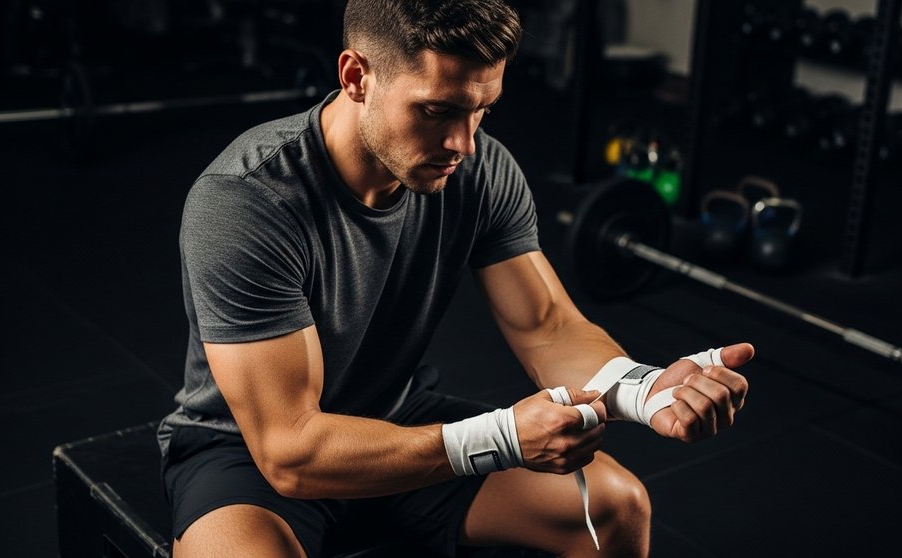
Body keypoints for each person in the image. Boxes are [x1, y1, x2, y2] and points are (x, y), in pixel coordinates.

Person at [156, 1, 753, 557]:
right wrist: (502, 439)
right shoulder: (248, 201)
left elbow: (548, 328)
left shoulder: (479, 166)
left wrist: (646, 392)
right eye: (437, 111)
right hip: (248, 455)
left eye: (481, 110)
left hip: (396, 417)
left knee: (618, 507)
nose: (463, 144)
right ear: (356, 76)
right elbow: (291, 452)